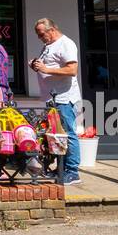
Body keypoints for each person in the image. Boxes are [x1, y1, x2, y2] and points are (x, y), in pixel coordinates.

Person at [30, 17, 82, 184]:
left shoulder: (66, 44)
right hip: (52, 97)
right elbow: (47, 66)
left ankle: (72, 172)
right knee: (56, 135)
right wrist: (36, 65)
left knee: (68, 134)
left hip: (65, 98)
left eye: (41, 34)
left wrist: (46, 69)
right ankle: (60, 168)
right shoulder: (48, 46)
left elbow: (72, 70)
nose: (39, 38)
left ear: (51, 30)